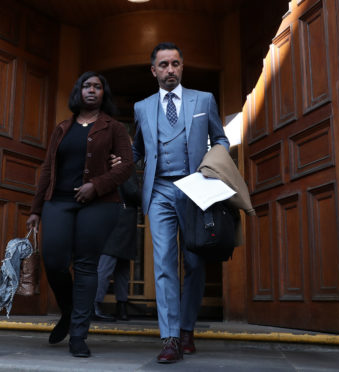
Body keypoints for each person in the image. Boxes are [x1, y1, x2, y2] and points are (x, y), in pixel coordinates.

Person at [129, 42, 230, 363]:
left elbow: (221, 138)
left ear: (182, 67)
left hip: (196, 190)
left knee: (196, 262)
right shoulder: (142, 107)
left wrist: (216, 162)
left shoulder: (204, 100)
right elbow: (138, 151)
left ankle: (188, 329)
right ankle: (170, 338)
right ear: (154, 70)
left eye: (175, 64)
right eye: (163, 65)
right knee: (163, 264)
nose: (170, 70)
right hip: (158, 191)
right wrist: (120, 164)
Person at [26, 71, 133, 358]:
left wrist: (95, 186)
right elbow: (48, 169)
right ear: (78, 91)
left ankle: (78, 335)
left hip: (98, 205)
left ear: (103, 94)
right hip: (58, 203)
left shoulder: (115, 128)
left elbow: (126, 167)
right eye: (87, 86)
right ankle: (70, 310)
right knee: (54, 260)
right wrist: (36, 208)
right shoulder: (62, 127)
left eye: (98, 86)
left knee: (87, 266)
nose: (92, 90)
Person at [93, 166, 141, 322]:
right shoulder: (123, 163)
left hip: (115, 214)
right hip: (122, 217)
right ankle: (96, 305)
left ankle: (120, 307)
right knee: (110, 263)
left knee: (119, 263)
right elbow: (132, 191)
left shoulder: (108, 158)